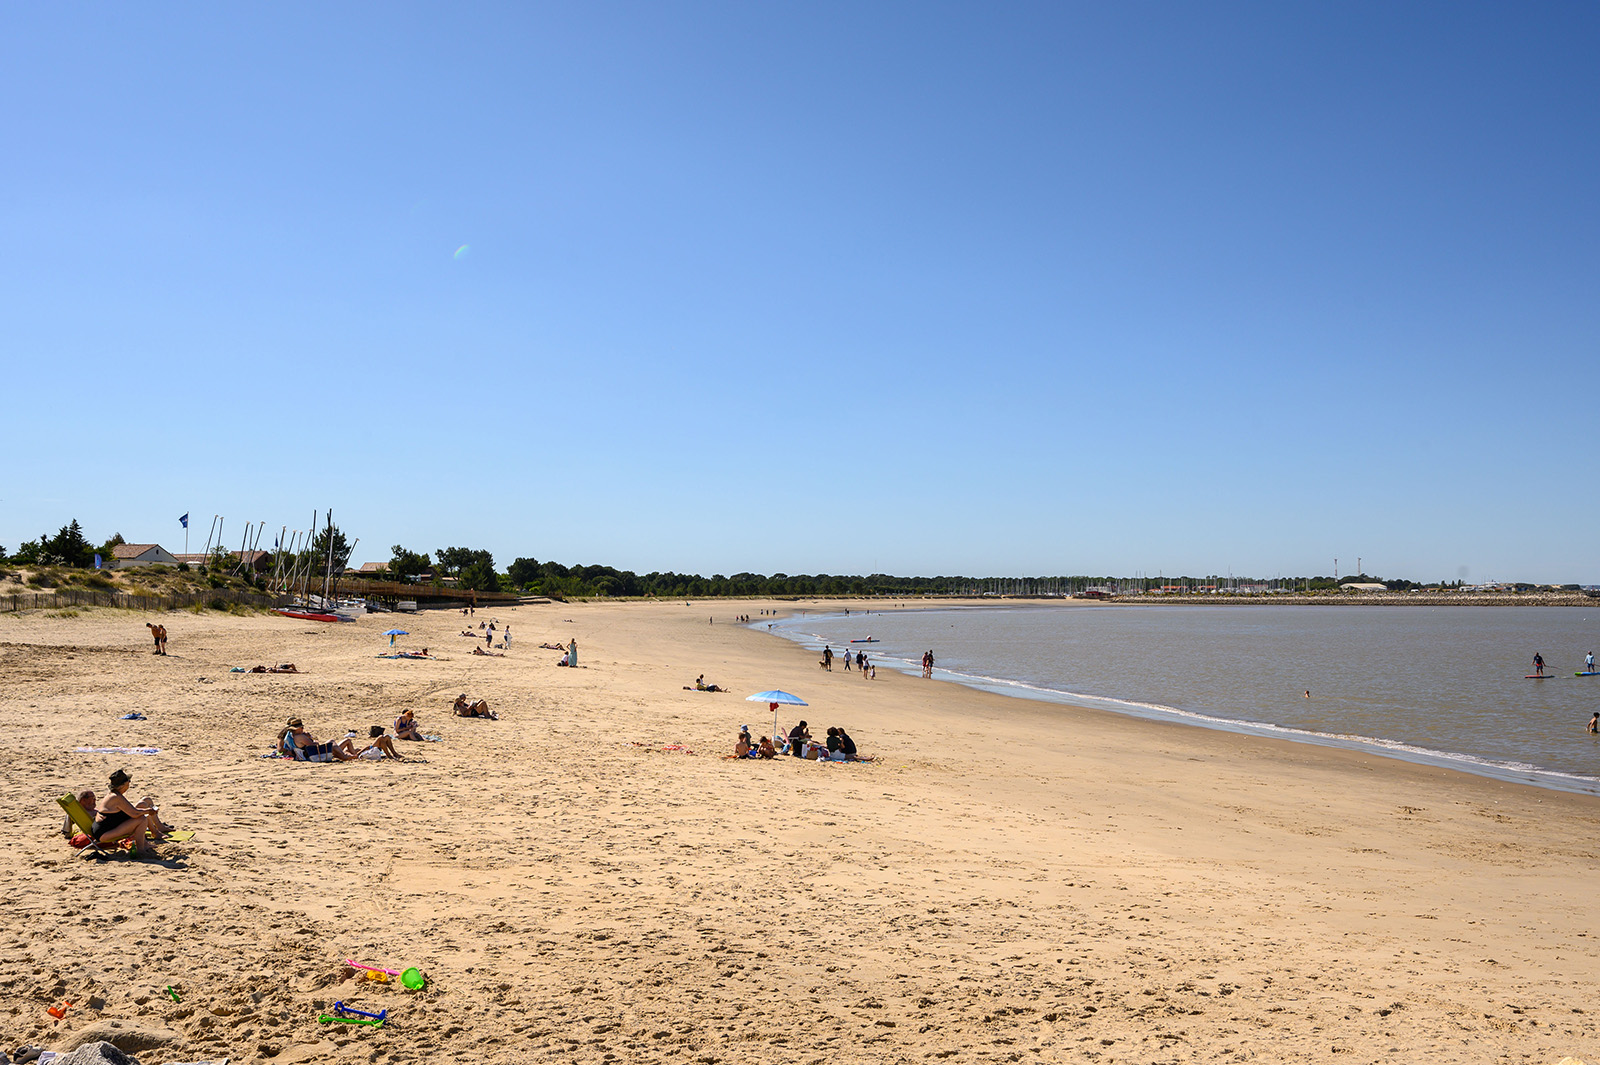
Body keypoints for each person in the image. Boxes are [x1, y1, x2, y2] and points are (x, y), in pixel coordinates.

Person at [92, 769, 164, 856]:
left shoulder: (114, 795)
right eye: (128, 782)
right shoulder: (116, 797)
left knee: (141, 814)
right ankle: (141, 850)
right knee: (142, 820)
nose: (129, 784)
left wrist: (147, 811)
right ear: (123, 785)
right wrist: (149, 811)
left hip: (103, 830)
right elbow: (134, 813)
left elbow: (132, 811)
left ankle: (146, 843)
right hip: (103, 834)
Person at [279, 718, 361, 761]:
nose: (303, 729)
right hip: (313, 756)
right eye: (301, 727)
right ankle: (344, 756)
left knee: (346, 741)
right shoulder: (300, 737)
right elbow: (314, 745)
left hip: (306, 756)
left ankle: (351, 755)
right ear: (298, 728)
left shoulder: (291, 736)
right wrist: (310, 738)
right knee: (332, 742)